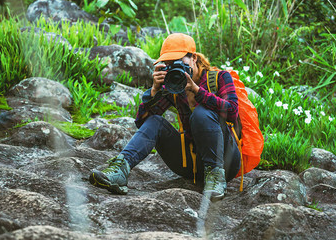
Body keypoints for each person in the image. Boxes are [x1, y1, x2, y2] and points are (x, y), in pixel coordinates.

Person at [89, 33, 241, 201]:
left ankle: (215, 177)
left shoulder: (219, 78)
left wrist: (197, 91)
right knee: (155, 121)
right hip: (190, 163)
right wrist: (154, 90)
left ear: (194, 58)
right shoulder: (173, 86)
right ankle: (119, 170)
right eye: (168, 63)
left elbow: (232, 112)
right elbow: (143, 122)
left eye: (178, 62)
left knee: (201, 113)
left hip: (225, 161)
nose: (173, 67)